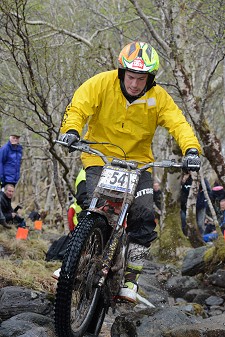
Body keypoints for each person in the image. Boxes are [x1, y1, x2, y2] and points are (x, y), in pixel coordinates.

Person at [60, 41, 201, 303]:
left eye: (141, 78)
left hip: (139, 163)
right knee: (93, 203)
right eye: (131, 76)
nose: (134, 84)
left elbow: (178, 123)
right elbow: (78, 107)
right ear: (121, 72)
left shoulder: (159, 97)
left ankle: (130, 280)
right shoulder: (101, 83)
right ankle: (75, 260)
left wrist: (191, 149)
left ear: (150, 78)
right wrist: (71, 131)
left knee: (144, 214)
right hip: (99, 156)